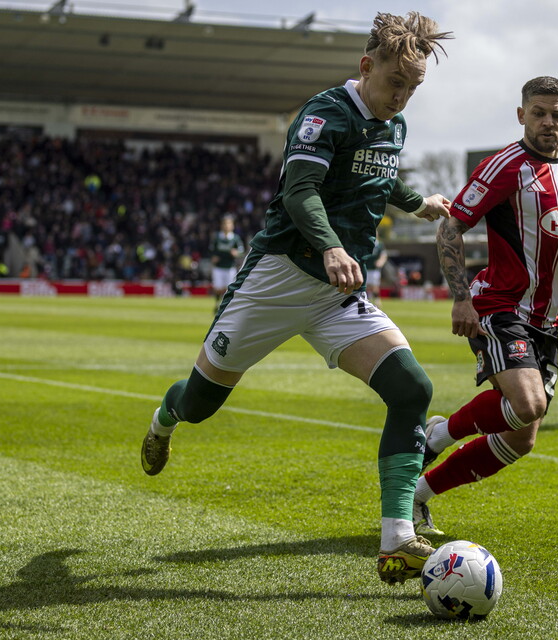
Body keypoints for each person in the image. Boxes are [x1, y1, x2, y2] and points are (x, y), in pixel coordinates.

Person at [139, 11, 453, 586]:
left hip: (337, 293)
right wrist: (331, 246)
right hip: (278, 279)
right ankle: (164, 418)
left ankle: (396, 541)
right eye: (395, 83)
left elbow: (377, 177)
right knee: (201, 405)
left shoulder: (393, 125)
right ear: (366, 65)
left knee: (412, 389)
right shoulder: (324, 114)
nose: (402, 98)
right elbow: (299, 190)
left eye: (413, 88)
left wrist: (417, 202)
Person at [412, 76, 558, 536]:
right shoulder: (503, 166)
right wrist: (461, 298)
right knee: (529, 402)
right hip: (499, 306)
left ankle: (419, 495)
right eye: (538, 113)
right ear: (521, 115)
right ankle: (440, 434)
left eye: (556, 115)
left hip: (546, 322)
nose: (548, 122)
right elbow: (451, 228)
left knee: (521, 438)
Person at [210, 214, 246, 312]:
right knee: (218, 288)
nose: (226, 226)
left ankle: (226, 306)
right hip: (218, 267)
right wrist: (213, 257)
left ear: (232, 226)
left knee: (229, 288)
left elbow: (241, 251)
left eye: (229, 224)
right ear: (221, 225)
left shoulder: (235, 238)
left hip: (230, 267)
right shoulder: (217, 237)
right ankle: (217, 304)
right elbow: (211, 249)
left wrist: (236, 253)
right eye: (225, 224)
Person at [364, 232, 389, 308]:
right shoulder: (366, 243)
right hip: (365, 268)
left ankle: (377, 300)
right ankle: (366, 300)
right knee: (365, 286)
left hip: (374, 269)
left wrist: (380, 262)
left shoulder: (379, 245)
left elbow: (383, 255)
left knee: (375, 286)